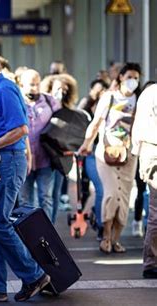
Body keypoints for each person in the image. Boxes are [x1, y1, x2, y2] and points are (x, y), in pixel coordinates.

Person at [0, 46, 50, 303]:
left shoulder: (5, 89)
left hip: (8, 162)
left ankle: (34, 275)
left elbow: (22, 129)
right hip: (0, 164)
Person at [78, 63, 141, 254]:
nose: (133, 81)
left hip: (129, 155)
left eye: (137, 78)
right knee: (111, 194)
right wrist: (86, 144)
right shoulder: (109, 97)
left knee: (124, 197)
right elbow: (96, 123)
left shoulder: (138, 100)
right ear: (121, 77)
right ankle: (106, 236)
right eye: (130, 76)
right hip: (106, 153)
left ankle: (116, 240)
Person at [18, 69, 61, 220]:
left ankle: (49, 236)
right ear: (21, 84)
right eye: (31, 84)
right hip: (23, 160)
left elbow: (62, 124)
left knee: (46, 198)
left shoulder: (50, 102)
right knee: (25, 201)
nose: (34, 88)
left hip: (46, 159)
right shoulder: (17, 102)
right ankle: (29, 237)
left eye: (37, 84)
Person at [41, 73, 80, 221]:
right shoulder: (44, 105)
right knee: (45, 194)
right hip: (44, 154)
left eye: (64, 90)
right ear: (50, 88)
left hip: (60, 156)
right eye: (58, 89)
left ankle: (52, 225)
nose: (61, 93)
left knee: (55, 192)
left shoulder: (70, 110)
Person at [78, 79, 109, 240]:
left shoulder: (112, 105)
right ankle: (101, 226)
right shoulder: (86, 105)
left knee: (105, 190)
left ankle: (102, 223)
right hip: (90, 151)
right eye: (100, 90)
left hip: (107, 152)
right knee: (100, 189)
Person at [131, 83, 157, 278]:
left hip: (148, 153)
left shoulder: (148, 93)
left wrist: (137, 156)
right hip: (153, 151)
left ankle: (151, 262)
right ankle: (151, 262)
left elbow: (136, 128)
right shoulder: (152, 93)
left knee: (155, 212)